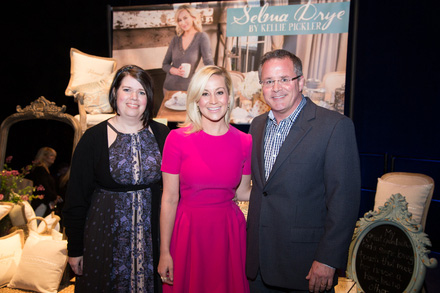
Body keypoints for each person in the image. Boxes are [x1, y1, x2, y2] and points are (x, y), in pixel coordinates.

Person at [246, 49, 361, 293]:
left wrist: (329, 259)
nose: (276, 88)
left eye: (284, 79)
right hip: (258, 264)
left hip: (305, 267)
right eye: (269, 81)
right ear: (261, 87)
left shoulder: (334, 127)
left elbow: (345, 201)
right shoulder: (256, 126)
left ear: (301, 82)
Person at [63, 65, 170, 292]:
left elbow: (174, 191)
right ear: (115, 93)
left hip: (152, 241)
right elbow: (76, 199)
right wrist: (75, 249)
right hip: (104, 240)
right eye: (127, 90)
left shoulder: (163, 135)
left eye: (141, 92)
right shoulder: (93, 139)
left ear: (149, 98)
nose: (134, 98)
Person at [158, 65, 251, 293]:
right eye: (205, 93)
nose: (213, 100)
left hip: (228, 234)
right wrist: (164, 252)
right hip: (188, 234)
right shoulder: (176, 139)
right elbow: (169, 199)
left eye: (219, 92)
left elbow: (243, 193)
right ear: (196, 100)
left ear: (229, 97)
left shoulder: (245, 141)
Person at [162, 5, 214, 93]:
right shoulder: (175, 39)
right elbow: (165, 64)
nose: (182, 22)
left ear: (193, 17)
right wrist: (175, 71)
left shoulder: (201, 37)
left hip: (189, 89)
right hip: (169, 88)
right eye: (179, 20)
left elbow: (209, 63)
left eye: (185, 18)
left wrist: (213, 81)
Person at [28, 147, 61, 217]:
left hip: (44, 203)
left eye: (54, 156)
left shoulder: (45, 170)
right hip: (40, 203)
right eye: (51, 155)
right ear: (44, 156)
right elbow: (44, 187)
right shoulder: (40, 169)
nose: (53, 158)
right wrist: (54, 196)